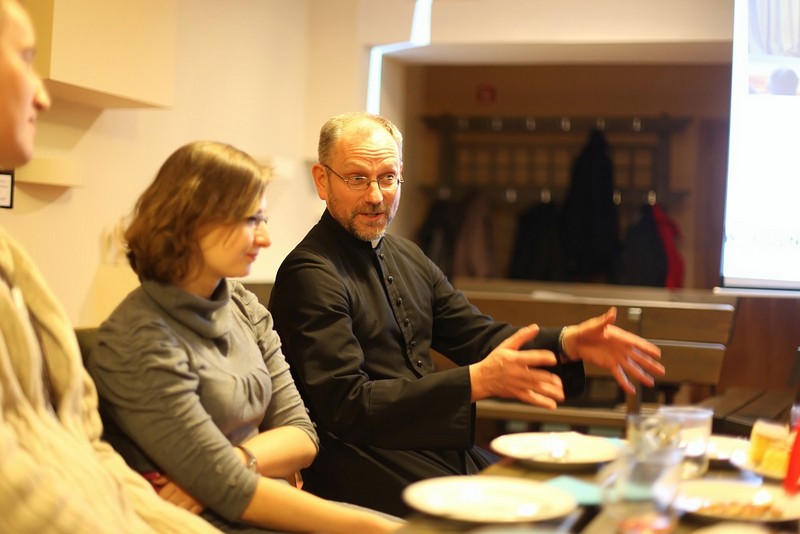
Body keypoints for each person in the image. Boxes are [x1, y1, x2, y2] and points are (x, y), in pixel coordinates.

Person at [268, 111, 666, 516]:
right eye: (357, 179)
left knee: (573, 502)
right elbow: (347, 405)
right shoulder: (310, 273)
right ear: (322, 180)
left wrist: (566, 343)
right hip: (361, 466)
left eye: (387, 178)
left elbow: (478, 335)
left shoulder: (406, 254)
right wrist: (475, 381)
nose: (375, 196)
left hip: (429, 445)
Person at [85, 140, 403, 534]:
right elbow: (234, 493)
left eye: (262, 219)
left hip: (265, 506)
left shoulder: (242, 304)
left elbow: (303, 436)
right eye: (251, 220)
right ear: (192, 221)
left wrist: (234, 462)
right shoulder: (137, 339)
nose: (265, 238)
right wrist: (377, 529)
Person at [0, 1, 219, 531]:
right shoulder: (140, 332)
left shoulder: (13, 258)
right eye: (25, 59)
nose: (43, 95)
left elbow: (88, 449)